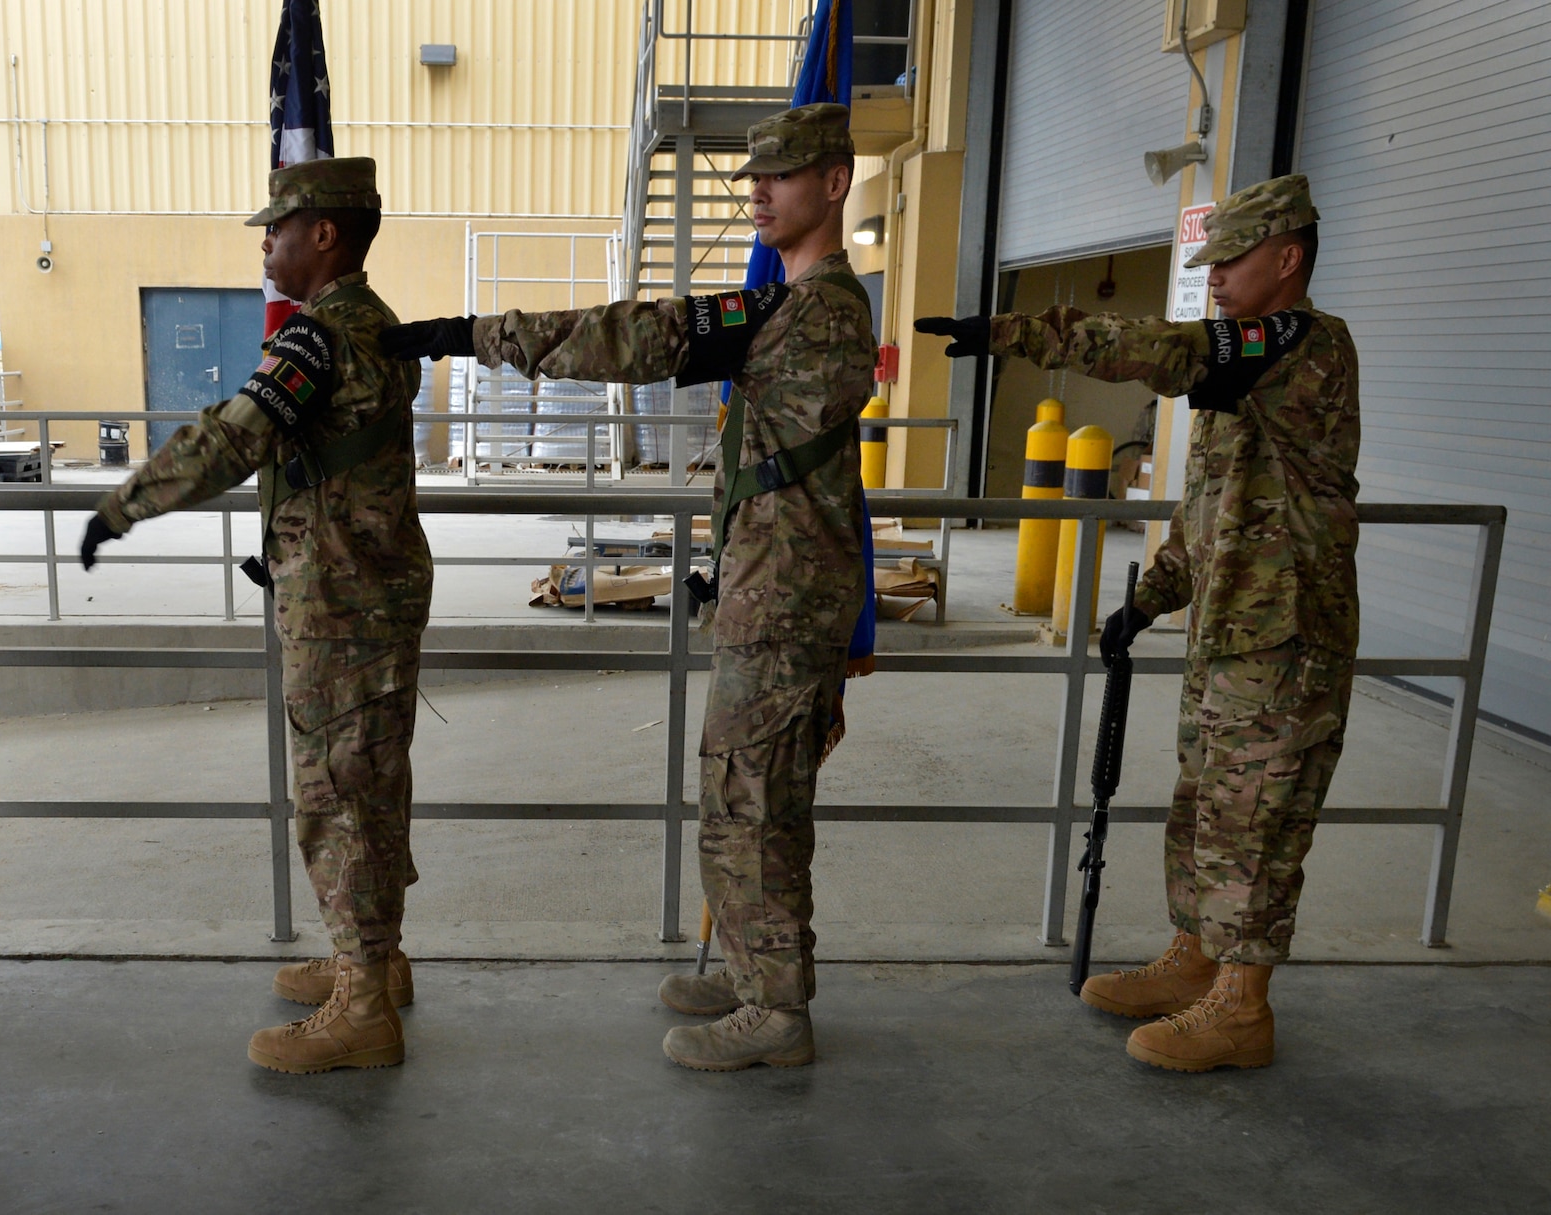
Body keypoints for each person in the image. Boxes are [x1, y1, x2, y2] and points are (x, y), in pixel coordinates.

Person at [383, 103, 874, 1071]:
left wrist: (476, 335)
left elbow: (638, 336)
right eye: (752, 175)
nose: (757, 191)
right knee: (750, 792)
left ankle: (776, 1009)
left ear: (834, 182)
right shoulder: (795, 307)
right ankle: (758, 969)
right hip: (774, 593)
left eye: (781, 174)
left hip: (785, 605)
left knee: (754, 802)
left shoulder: (808, 311)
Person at [918, 174, 1359, 1072]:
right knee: (1205, 807)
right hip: (1231, 635)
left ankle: (1243, 1005)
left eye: (1232, 260)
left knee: (1258, 819)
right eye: (1211, 261)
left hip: (1286, 644)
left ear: (1288, 258)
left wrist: (1019, 333)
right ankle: (1195, 961)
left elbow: (1158, 348)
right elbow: (1210, 512)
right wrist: (1149, 599)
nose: (1215, 276)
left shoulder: (1301, 345)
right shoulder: (1245, 372)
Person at [80, 157, 430, 1075]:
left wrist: (124, 504)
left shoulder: (319, 336)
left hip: (341, 602)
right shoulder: (374, 322)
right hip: (370, 589)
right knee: (371, 783)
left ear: (325, 233)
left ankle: (362, 1008)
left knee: (338, 796)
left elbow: (233, 437)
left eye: (277, 227)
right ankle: (376, 964)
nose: (266, 244)